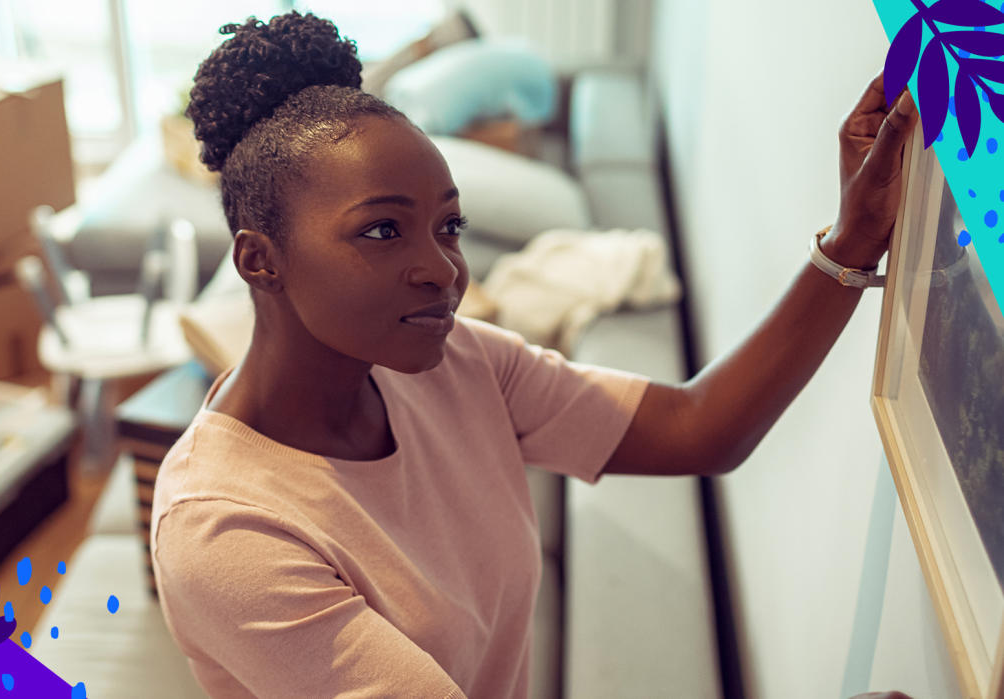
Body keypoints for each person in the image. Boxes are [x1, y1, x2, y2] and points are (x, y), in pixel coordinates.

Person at [149, 11, 919, 698]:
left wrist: (851, 240)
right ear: (260, 261)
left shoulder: (461, 363)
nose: (443, 269)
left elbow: (698, 426)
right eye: (383, 230)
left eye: (448, 227)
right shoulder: (224, 530)